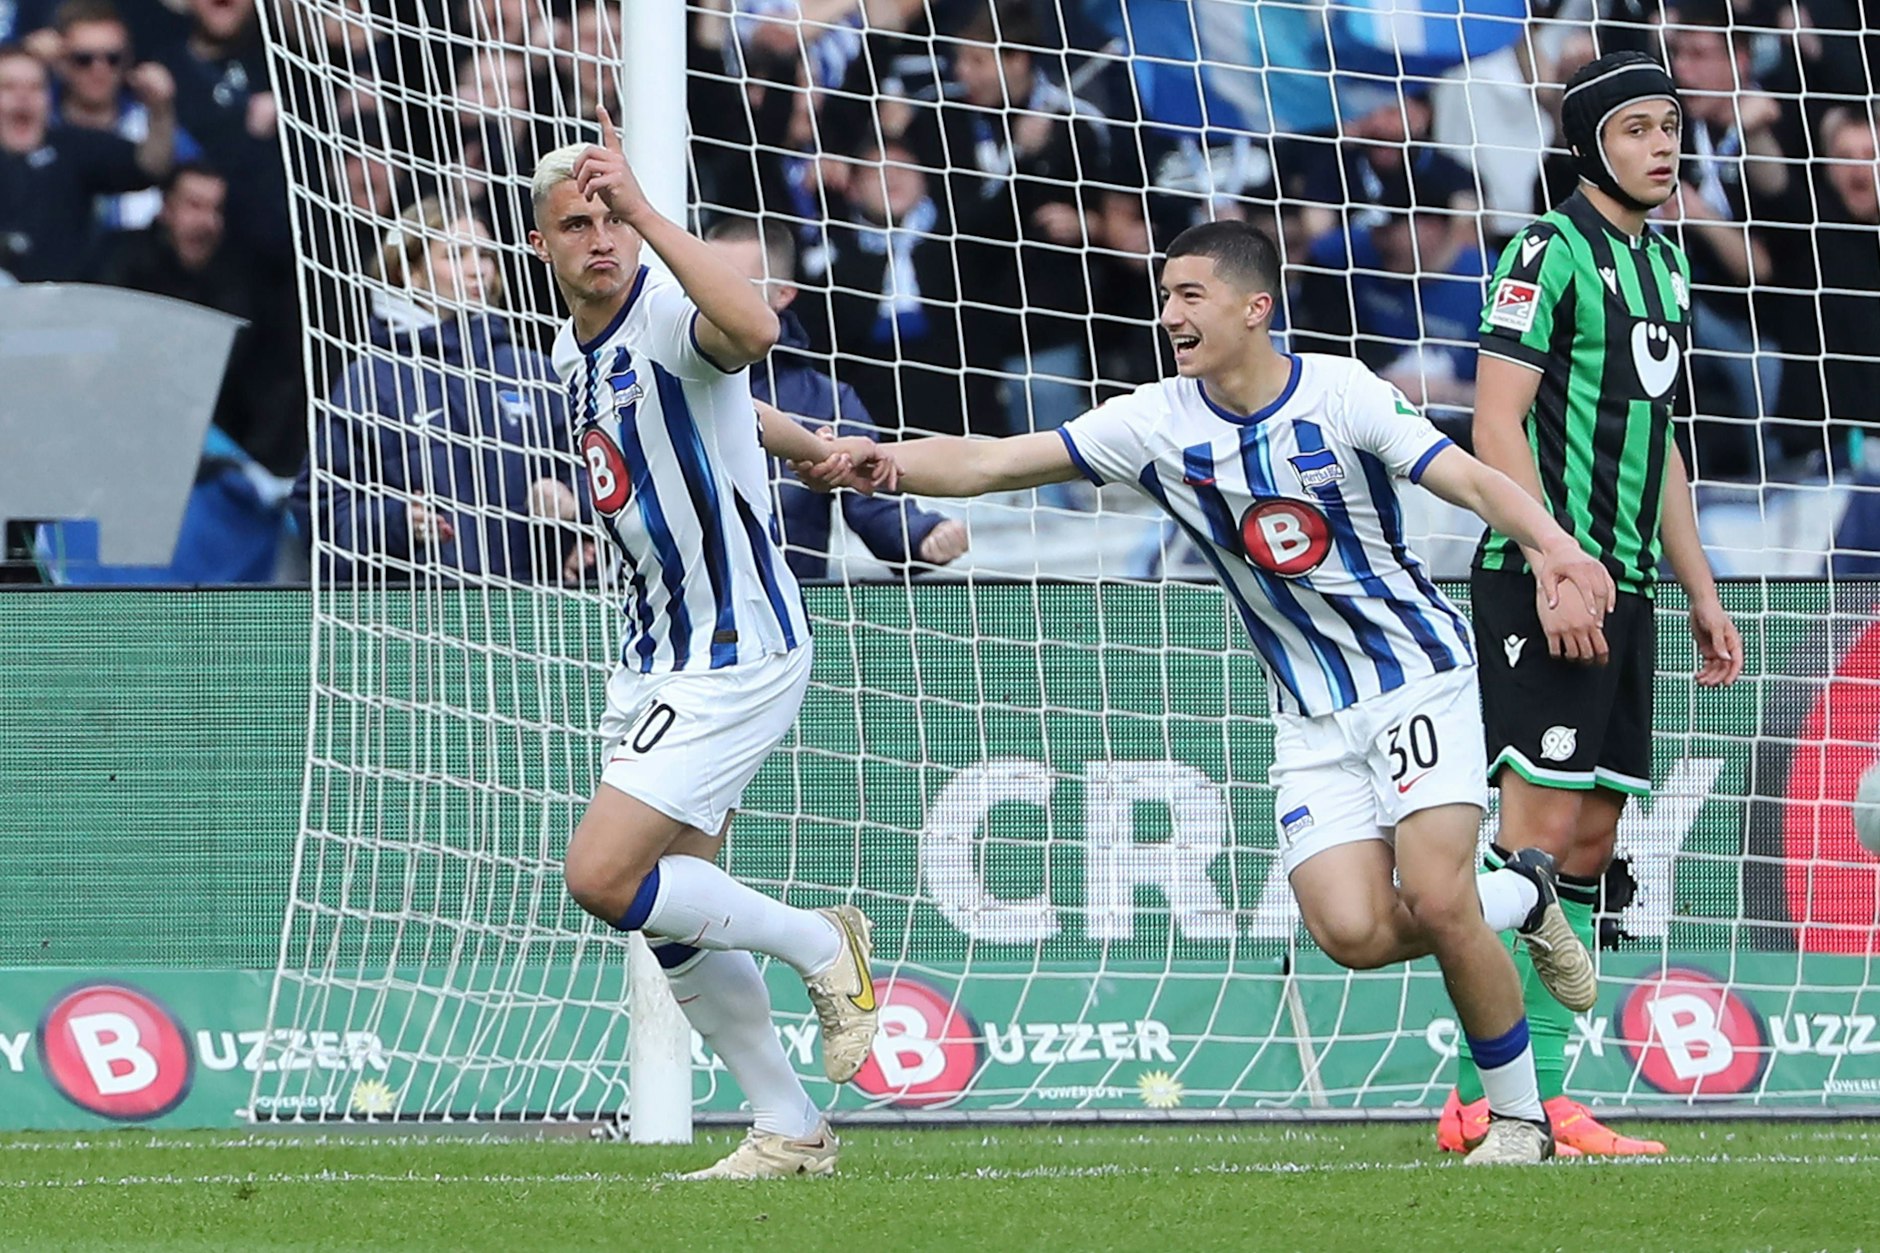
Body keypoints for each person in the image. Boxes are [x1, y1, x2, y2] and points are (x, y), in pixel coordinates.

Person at [847, 218, 1611, 1165]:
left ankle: (1520, 1119)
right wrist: (888, 463)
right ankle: (1524, 895)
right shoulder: (1156, 422)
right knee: (1352, 932)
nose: (1170, 314)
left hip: (1416, 675)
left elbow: (1466, 478)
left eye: (1190, 295)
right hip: (1309, 712)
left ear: (1256, 308)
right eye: (1165, 296)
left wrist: (1554, 547)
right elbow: (995, 461)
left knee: (1437, 895)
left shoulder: (1342, 393)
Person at [527, 111, 883, 1180]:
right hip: (655, 649)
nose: (601, 238)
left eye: (613, 220)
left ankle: (822, 942)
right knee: (677, 909)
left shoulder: (668, 308)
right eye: (578, 223)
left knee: (601, 875)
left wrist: (647, 209)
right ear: (541, 244)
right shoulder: (571, 347)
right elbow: (728, 403)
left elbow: (750, 333)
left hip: (735, 645)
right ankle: (789, 1127)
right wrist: (807, 445)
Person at [1443, 51, 1745, 1158]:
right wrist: (1552, 559)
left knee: (1593, 835)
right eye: (1635, 129)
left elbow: (1658, 445)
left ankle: (1549, 1093)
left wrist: (1698, 586)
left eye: (1669, 125)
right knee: (1530, 835)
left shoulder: (1663, 263)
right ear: (1587, 145)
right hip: (1543, 574)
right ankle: (1486, 1097)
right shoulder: (1545, 249)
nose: (1661, 146)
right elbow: (1495, 423)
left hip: (1628, 586)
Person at [290, 198, 583, 586]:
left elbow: (605, 476)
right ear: (410, 273)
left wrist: (573, 505)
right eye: (456, 255)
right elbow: (322, 512)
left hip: (538, 610)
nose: (477, 269)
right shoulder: (371, 381)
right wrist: (397, 522)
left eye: (485, 255)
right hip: (421, 612)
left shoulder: (534, 370)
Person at [705, 216, 969, 579]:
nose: (714, 296)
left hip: (787, 603)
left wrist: (922, 534)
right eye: (703, 279)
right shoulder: (651, 374)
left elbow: (874, 500)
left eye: (736, 284)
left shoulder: (826, 401)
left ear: (783, 296)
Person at [0, 39, 173, 281]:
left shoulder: (71, 147)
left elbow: (150, 167)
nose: (23, 97)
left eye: (35, 87)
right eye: (8, 87)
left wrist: (160, 110)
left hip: (64, 299)